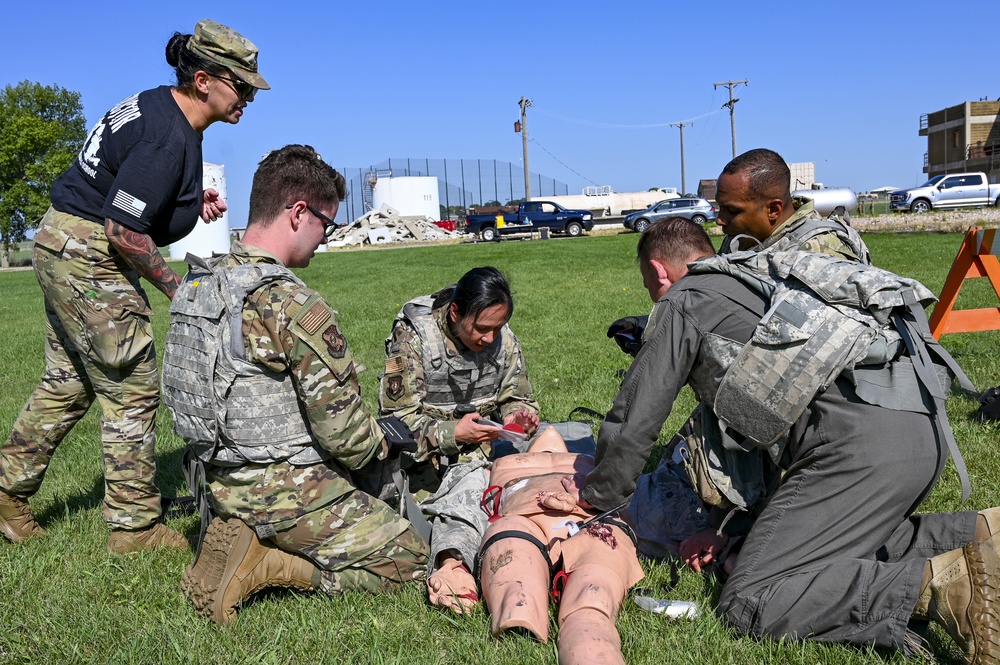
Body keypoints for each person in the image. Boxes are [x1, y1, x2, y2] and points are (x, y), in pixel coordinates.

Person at [571, 218, 1000, 663]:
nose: (653, 298)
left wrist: (597, 496)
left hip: (856, 452)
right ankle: (981, 535)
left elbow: (636, 418)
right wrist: (731, 531)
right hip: (921, 429)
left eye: (649, 288)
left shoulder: (684, 300)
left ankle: (939, 589)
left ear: (660, 272)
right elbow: (759, 435)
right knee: (840, 545)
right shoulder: (763, 280)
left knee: (752, 598)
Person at [0, 19, 268, 553]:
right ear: (203, 80)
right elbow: (123, 228)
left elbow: (132, 194)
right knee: (132, 386)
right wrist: (178, 289)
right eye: (240, 85)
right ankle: (135, 527)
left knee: (71, 382)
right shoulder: (167, 136)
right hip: (90, 252)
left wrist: (191, 204)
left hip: (62, 239)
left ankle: (6, 494)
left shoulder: (160, 108)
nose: (248, 98)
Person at [161, 144, 428, 625]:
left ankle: (237, 534)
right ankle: (271, 564)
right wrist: (385, 443)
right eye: (326, 224)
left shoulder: (201, 285)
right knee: (411, 557)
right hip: (280, 491)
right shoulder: (292, 304)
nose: (324, 238)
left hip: (210, 481)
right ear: (298, 212)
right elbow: (346, 440)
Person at [380, 267, 595, 612]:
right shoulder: (415, 338)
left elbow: (518, 396)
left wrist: (517, 416)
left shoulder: (500, 336)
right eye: (482, 329)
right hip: (427, 458)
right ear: (455, 312)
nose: (490, 339)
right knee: (470, 492)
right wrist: (453, 433)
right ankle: (454, 565)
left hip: (487, 447)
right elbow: (397, 424)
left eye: (497, 328)